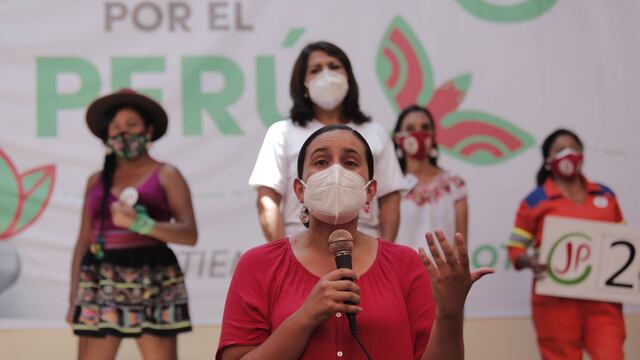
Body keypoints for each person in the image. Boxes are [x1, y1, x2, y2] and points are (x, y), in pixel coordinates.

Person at [218, 125, 493, 359]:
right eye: (321, 162)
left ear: (370, 190)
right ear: (300, 190)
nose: (336, 172)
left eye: (350, 163)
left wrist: (450, 313)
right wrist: (305, 317)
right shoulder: (258, 265)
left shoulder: (405, 264)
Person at [66, 89, 198, 360]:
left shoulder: (167, 174)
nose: (123, 132)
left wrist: (143, 224)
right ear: (107, 135)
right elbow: (83, 241)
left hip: (154, 277)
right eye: (115, 127)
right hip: (99, 280)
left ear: (148, 131)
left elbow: (189, 233)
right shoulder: (96, 180)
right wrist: (73, 299)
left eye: (132, 125)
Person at [249, 41, 404, 242]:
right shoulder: (282, 133)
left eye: (334, 66)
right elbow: (267, 198)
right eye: (315, 70)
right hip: (299, 244)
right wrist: (284, 257)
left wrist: (384, 255)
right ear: (302, 83)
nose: (326, 75)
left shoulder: (376, 133)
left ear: (348, 77)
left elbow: (390, 198)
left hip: (365, 244)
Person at [506, 129, 625, 360]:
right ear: (548, 160)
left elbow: (624, 242)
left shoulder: (606, 196)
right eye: (560, 150)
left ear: (583, 154)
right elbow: (515, 248)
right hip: (555, 302)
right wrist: (530, 261)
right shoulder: (534, 201)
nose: (568, 153)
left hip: (602, 300)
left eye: (573, 147)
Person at [392, 105, 468, 248]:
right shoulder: (389, 188)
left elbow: (461, 246)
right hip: (401, 270)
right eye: (410, 128)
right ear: (397, 138)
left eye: (425, 128)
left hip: (444, 270)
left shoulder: (454, 185)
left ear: (433, 136)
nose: (418, 134)